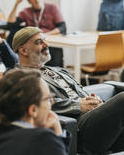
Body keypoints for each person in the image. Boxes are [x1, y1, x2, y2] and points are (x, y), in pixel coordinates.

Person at [11, 26, 124, 154]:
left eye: (45, 40)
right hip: (78, 127)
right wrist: (78, 105)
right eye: (39, 42)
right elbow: (37, 104)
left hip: (94, 118)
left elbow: (82, 92)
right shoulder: (20, 76)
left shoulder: (58, 70)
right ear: (23, 50)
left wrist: (96, 100)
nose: (46, 45)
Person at [0, 69, 70, 155]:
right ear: (33, 110)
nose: (50, 104)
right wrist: (58, 133)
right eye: (48, 99)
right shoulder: (44, 138)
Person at [8, 0, 66, 67]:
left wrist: (45, 35)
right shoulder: (26, 12)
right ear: (28, 1)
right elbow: (11, 23)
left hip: (51, 41)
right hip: (35, 44)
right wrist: (16, 4)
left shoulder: (52, 8)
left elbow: (62, 28)